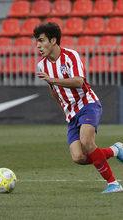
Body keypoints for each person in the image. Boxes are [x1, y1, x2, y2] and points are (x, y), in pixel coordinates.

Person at [33, 22, 123, 193]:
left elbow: (78, 81)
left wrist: (53, 80)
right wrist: (64, 110)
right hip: (71, 113)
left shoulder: (70, 56)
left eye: (41, 40)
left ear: (53, 41)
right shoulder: (42, 65)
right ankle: (115, 150)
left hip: (87, 104)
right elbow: (54, 91)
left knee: (87, 142)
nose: (38, 45)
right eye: (37, 41)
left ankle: (113, 183)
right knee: (79, 157)